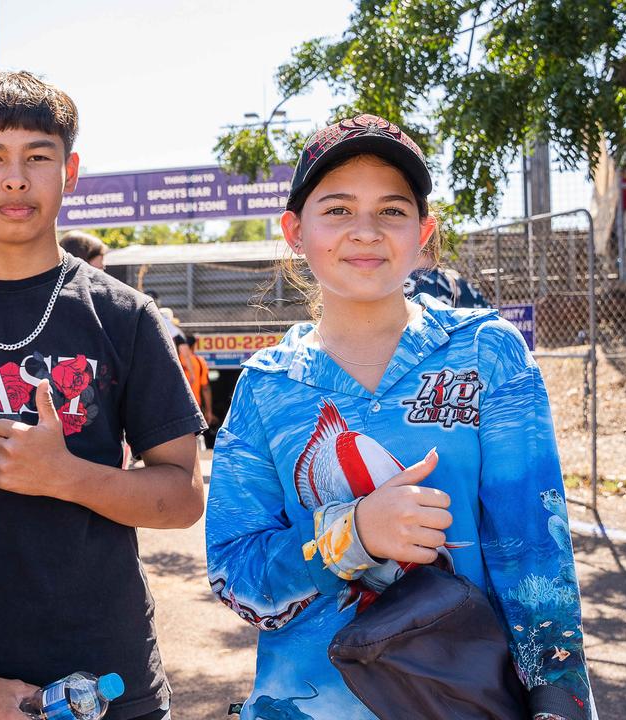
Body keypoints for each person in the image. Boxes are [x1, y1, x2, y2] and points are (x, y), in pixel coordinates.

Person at [204, 114, 593, 720]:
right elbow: (235, 573)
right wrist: (349, 536)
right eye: (336, 209)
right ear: (293, 231)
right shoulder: (265, 386)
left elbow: (537, 556)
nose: (365, 231)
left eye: (391, 210)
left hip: (464, 702)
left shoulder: (487, 353)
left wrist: (559, 701)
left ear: (423, 232)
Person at [0, 69, 206, 720]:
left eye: (38, 158)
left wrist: (67, 477)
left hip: (109, 684)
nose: (15, 178)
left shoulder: (127, 317)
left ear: (70, 172)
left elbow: (182, 496)